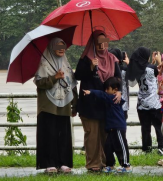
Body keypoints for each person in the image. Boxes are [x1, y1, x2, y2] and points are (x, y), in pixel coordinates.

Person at [75, 30, 122, 172]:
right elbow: (77, 76)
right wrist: (90, 67)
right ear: (93, 43)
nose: (102, 46)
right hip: (89, 105)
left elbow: (118, 79)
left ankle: (105, 162)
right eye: (98, 43)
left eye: (104, 42)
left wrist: (119, 91)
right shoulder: (86, 58)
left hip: (106, 104)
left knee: (105, 135)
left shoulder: (112, 59)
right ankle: (92, 164)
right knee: (92, 135)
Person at [34, 38, 78, 174]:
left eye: (63, 46)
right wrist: (55, 77)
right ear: (52, 48)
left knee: (64, 135)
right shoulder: (43, 63)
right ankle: (49, 164)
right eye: (58, 46)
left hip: (64, 104)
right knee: (49, 134)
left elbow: (72, 84)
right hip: (48, 105)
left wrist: (75, 105)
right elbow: (39, 83)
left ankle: (63, 163)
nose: (61, 49)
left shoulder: (66, 64)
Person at [83, 77, 131, 173]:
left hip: (118, 127)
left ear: (115, 90)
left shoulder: (114, 98)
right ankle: (110, 164)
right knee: (107, 146)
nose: (105, 91)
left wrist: (91, 92)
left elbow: (102, 95)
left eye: (107, 89)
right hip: (111, 128)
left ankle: (126, 165)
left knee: (121, 146)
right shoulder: (110, 98)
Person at [126, 47, 163, 153]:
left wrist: (151, 62)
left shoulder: (137, 69)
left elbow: (143, 72)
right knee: (158, 126)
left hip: (142, 103)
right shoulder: (152, 68)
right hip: (154, 103)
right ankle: (162, 147)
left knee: (145, 128)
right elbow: (161, 74)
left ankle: (146, 149)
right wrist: (158, 60)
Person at [108, 48, 130, 120]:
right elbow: (133, 79)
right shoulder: (125, 70)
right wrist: (128, 64)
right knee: (122, 127)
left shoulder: (108, 70)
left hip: (110, 102)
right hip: (123, 103)